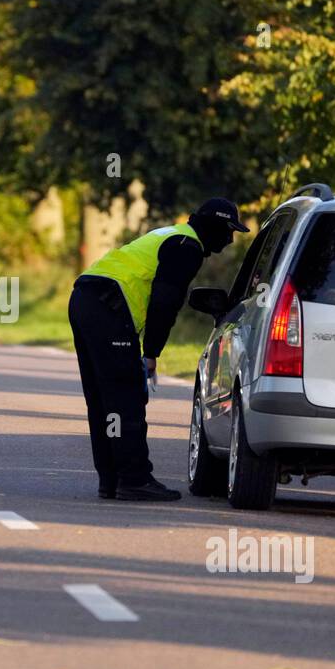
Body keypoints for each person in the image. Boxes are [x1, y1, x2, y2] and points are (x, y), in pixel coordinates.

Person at [68, 197, 248, 501]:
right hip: (108, 307)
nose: (230, 239)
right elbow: (165, 303)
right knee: (126, 397)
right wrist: (151, 352)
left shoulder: (170, 234)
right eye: (228, 230)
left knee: (102, 399)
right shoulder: (186, 248)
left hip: (85, 298)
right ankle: (134, 480)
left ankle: (111, 480)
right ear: (213, 226)